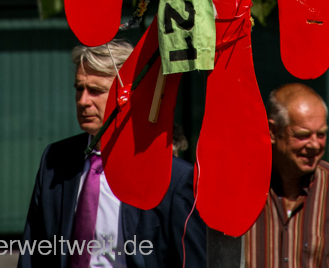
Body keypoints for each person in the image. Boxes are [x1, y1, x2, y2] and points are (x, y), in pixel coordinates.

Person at [18, 38, 206, 268]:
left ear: (129, 95)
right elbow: (33, 253)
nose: (83, 101)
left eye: (96, 91)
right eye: (79, 88)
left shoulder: (172, 178)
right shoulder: (56, 160)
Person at [245, 83, 329, 268]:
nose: (314, 145)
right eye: (303, 135)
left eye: (321, 134)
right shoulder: (240, 187)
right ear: (273, 131)